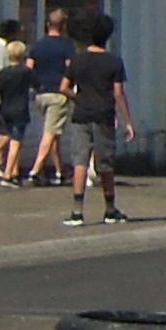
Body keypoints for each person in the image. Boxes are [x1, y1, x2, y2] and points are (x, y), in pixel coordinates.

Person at [58, 13, 133, 228]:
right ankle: (110, 208)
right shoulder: (114, 61)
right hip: (104, 114)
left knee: (80, 161)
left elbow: (63, 87)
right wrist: (128, 120)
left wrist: (78, 97)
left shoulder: (77, 60)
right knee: (105, 163)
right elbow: (118, 93)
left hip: (81, 114)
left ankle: (77, 211)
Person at [22, 9, 76, 189]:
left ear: (47, 24)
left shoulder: (37, 46)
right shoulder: (66, 46)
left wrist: (35, 85)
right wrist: (72, 88)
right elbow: (71, 69)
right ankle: (35, 171)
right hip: (58, 94)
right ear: (64, 26)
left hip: (41, 94)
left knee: (53, 133)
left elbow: (29, 69)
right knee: (51, 133)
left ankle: (60, 171)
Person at [0, 33, 33, 187]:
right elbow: (36, 85)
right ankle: (7, 174)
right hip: (20, 109)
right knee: (16, 141)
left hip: (6, 108)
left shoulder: (4, 73)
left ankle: (12, 171)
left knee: (7, 135)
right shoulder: (26, 72)